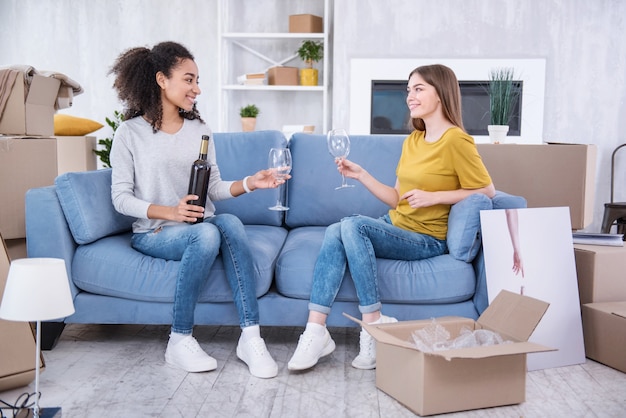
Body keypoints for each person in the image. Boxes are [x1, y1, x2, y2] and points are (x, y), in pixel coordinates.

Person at [288, 64, 496, 371]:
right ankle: (316, 331)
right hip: (397, 225)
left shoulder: (457, 141)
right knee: (336, 230)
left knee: (352, 225)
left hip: (427, 239)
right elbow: (397, 199)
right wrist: (362, 175)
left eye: (419, 89)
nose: (410, 96)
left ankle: (372, 321)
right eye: (408, 90)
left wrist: (436, 197)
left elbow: (487, 190)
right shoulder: (413, 140)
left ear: (441, 94)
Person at [109, 41, 285, 379]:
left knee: (228, 221)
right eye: (189, 80)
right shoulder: (129, 133)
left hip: (197, 225)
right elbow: (121, 198)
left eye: (197, 80)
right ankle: (179, 338)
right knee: (207, 232)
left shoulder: (200, 131)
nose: (197, 89)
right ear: (162, 79)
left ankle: (251, 337)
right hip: (154, 232)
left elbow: (214, 188)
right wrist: (170, 212)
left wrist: (252, 182)